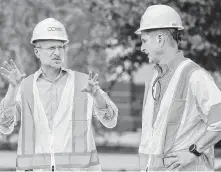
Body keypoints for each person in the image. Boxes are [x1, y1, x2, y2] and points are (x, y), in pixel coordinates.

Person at [0, 18, 118, 172]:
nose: (57, 52)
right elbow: (4, 125)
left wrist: (96, 96)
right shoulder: (25, 87)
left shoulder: (84, 83)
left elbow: (111, 120)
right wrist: (13, 88)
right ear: (37, 51)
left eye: (61, 47)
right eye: (51, 48)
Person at [136, 4, 221, 172]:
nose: (142, 48)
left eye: (144, 41)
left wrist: (194, 151)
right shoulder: (154, 78)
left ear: (160, 39)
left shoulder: (195, 76)